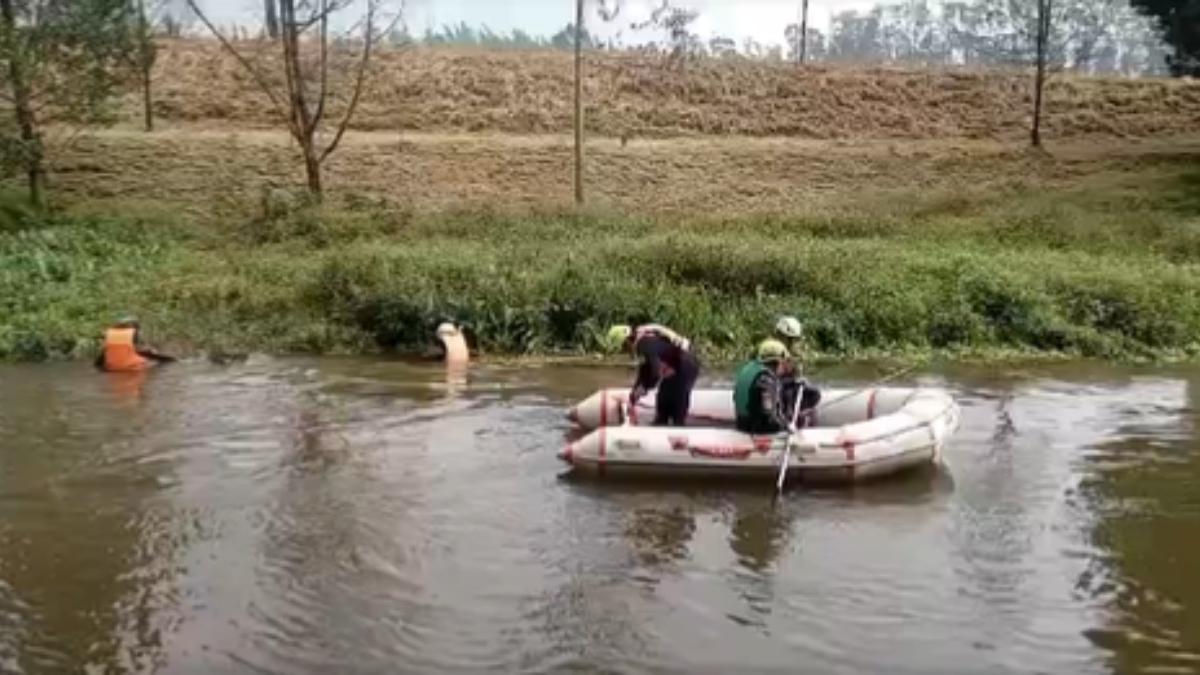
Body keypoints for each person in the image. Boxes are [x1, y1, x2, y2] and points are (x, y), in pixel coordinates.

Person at [605, 323, 699, 427]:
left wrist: (645, 387)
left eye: (623, 347)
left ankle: (678, 427)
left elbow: (655, 373)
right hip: (676, 369)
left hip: (685, 368)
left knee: (676, 406)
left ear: (627, 340)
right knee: (663, 404)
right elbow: (645, 371)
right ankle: (661, 424)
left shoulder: (643, 344)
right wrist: (633, 395)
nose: (625, 351)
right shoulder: (643, 344)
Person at [733, 339, 798, 435]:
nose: (784, 365)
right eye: (784, 362)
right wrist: (786, 426)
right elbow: (768, 417)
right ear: (778, 361)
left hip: (742, 424)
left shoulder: (750, 369)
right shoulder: (766, 381)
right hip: (757, 430)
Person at [94, 316, 174, 372]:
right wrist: (170, 360)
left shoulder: (110, 340)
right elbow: (148, 354)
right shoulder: (134, 337)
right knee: (155, 364)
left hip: (112, 368)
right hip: (133, 368)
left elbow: (99, 362)